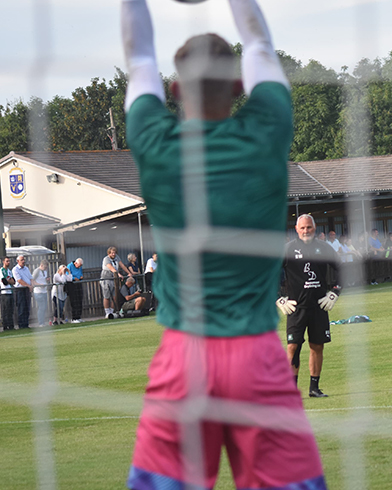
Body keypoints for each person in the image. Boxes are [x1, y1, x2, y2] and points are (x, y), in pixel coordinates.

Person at [123, 0, 325, 488]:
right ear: (239, 88)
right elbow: (258, 42)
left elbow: (139, 55)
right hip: (257, 358)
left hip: (183, 360)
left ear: (174, 91)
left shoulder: (154, 140)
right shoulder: (266, 132)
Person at [277, 214, 341, 398]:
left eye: (309, 227)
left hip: (319, 306)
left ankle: (314, 388)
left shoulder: (324, 248)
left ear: (315, 228)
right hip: (296, 308)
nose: (306, 231)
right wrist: (279, 299)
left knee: (317, 346)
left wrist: (335, 292)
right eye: (303, 228)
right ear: (296, 229)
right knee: (292, 346)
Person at [101, 247, 132, 319]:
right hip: (107, 279)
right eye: (112, 253)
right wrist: (119, 274)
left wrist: (129, 273)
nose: (113, 254)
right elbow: (112, 268)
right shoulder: (106, 259)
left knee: (115, 296)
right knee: (107, 296)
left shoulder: (116, 257)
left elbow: (122, 265)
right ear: (109, 253)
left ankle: (111, 311)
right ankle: (107, 312)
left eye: (114, 252)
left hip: (114, 279)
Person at [12, 255, 32, 329]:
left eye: (24, 260)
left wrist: (31, 285)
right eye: (22, 260)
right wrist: (28, 285)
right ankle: (21, 325)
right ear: (18, 261)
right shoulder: (15, 269)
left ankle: (26, 324)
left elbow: (30, 278)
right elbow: (19, 280)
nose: (23, 261)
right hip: (20, 290)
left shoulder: (26, 269)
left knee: (27, 307)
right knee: (21, 307)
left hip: (26, 289)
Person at [31, 259, 49, 328]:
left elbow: (44, 278)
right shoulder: (36, 271)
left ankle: (43, 322)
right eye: (44, 267)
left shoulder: (45, 271)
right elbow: (32, 280)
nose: (45, 268)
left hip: (44, 291)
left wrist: (47, 279)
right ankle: (41, 322)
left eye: (46, 267)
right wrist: (39, 284)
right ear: (41, 265)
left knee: (44, 307)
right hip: (38, 292)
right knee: (41, 307)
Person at [66, 258, 84, 323]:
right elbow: (67, 275)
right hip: (72, 284)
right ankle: (74, 318)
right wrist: (74, 278)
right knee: (74, 301)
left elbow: (81, 274)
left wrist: (81, 277)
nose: (80, 267)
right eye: (79, 265)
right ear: (75, 263)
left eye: (80, 266)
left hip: (79, 283)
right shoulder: (69, 266)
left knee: (80, 300)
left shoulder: (80, 267)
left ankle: (79, 317)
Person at [1, 256, 16, 331]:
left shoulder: (9, 271)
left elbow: (14, 281)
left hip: (10, 292)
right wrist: (9, 280)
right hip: (4, 292)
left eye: (9, 261)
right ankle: (5, 326)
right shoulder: (1, 270)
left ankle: (11, 326)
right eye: (7, 261)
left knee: (11, 310)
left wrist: (9, 280)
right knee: (5, 310)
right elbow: (4, 282)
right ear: (3, 262)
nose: (8, 262)